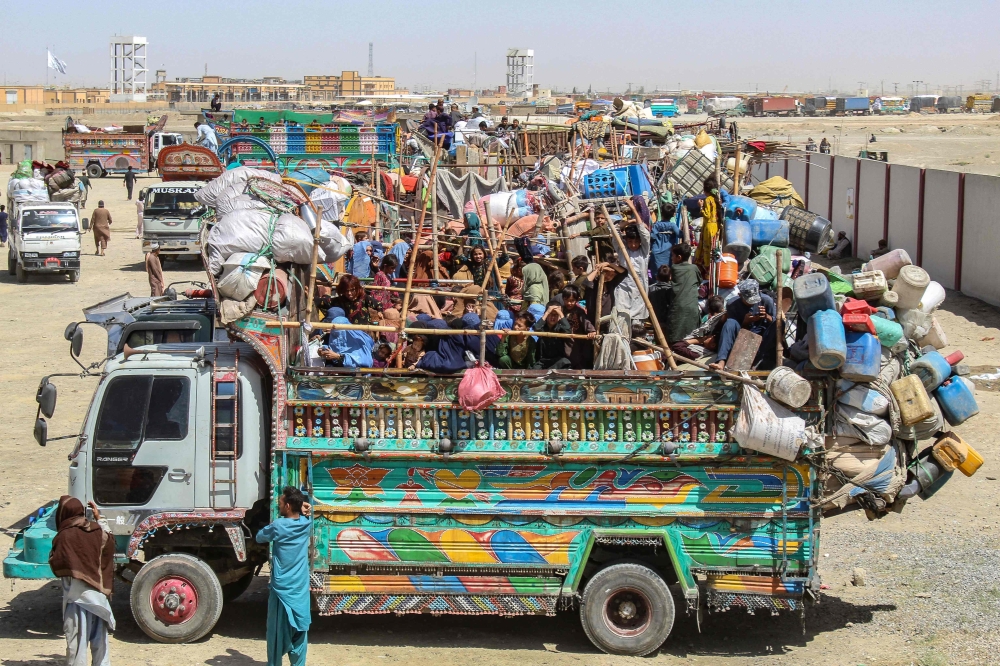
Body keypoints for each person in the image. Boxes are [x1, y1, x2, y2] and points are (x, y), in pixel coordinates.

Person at [49, 496, 116, 666]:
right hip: (99, 601)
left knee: (77, 649)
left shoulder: (64, 536)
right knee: (101, 647)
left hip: (76, 600)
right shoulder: (96, 531)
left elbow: (56, 563)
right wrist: (99, 519)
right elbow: (110, 541)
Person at [255, 486, 312, 666]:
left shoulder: (278, 526)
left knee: (276, 633)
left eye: (280, 503)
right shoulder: (306, 524)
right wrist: (304, 507)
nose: (278, 505)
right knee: (300, 629)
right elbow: (309, 513)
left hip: (282, 589)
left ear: (287, 505)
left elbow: (259, 537)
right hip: (300, 587)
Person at [710, 279, 777, 371]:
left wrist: (766, 316)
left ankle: (765, 362)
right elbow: (733, 329)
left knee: (778, 324)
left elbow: (775, 322)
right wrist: (745, 322)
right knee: (730, 323)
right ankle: (721, 361)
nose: (752, 303)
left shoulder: (766, 301)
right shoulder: (732, 304)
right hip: (741, 334)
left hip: (762, 334)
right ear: (740, 295)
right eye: (749, 301)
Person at [664, 243, 701, 344]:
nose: (671, 258)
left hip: (679, 307)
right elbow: (699, 281)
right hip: (692, 307)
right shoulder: (694, 268)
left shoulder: (675, 268)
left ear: (679, 257)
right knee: (690, 334)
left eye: (673, 255)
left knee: (675, 335)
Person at [673, 295, 726, 360]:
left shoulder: (699, 353)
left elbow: (677, 346)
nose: (709, 336)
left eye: (712, 337)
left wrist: (699, 340)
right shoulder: (711, 324)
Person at [582, 260, 627, 330]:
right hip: (593, 320)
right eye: (607, 273)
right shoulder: (594, 283)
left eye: (612, 275)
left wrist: (609, 264)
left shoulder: (611, 284)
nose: (609, 277)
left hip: (606, 321)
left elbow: (624, 272)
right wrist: (598, 269)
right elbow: (587, 281)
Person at [533, 303, 572, 370]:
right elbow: (536, 328)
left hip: (557, 361)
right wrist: (547, 312)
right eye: (551, 314)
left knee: (565, 362)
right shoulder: (542, 328)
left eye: (556, 315)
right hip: (543, 361)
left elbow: (568, 331)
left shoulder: (560, 328)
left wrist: (560, 313)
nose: (553, 317)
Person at [648, 203, 679, 277]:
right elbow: (679, 234)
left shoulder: (657, 225)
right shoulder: (672, 225)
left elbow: (652, 236)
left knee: (657, 272)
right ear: (673, 215)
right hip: (668, 253)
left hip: (656, 251)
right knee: (667, 271)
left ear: (661, 213)